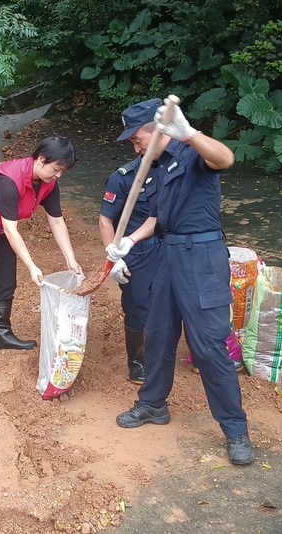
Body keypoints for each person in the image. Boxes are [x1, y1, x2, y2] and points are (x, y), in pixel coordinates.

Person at [107, 96, 254, 466]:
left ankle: (236, 429)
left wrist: (190, 134)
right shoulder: (154, 168)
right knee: (158, 334)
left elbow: (226, 159)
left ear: (158, 131)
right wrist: (128, 241)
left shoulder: (191, 153)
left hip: (202, 259)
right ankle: (153, 404)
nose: (134, 145)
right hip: (167, 256)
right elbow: (157, 217)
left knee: (208, 346)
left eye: (137, 138)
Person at [0, 136, 82, 370]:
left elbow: (56, 221)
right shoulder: (9, 180)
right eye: (56, 169)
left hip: (1, 226)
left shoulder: (48, 183)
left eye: (63, 171)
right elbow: (11, 230)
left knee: (4, 280)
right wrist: (32, 267)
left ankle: (3, 334)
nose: (59, 175)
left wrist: (70, 258)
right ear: (41, 159)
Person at [99, 101, 163, 383]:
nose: (136, 148)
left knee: (184, 301)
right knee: (138, 306)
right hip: (138, 252)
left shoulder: (175, 168)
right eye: (133, 142)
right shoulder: (123, 178)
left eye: (138, 140)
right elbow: (105, 220)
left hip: (174, 247)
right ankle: (138, 361)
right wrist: (114, 258)